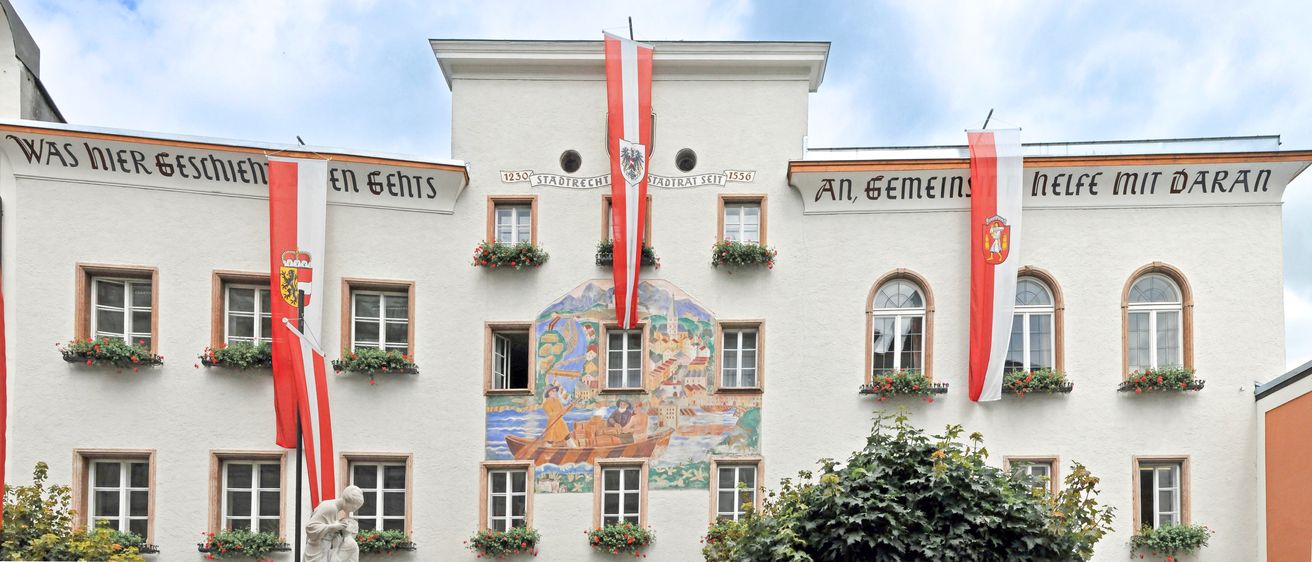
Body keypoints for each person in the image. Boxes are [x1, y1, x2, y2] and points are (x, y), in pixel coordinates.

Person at [304, 485, 364, 562]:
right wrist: (333, 527)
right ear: (348, 502)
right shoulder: (330, 507)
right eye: (354, 507)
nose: (353, 510)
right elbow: (310, 527)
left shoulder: (335, 509)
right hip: (317, 552)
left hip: (323, 549)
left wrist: (338, 526)